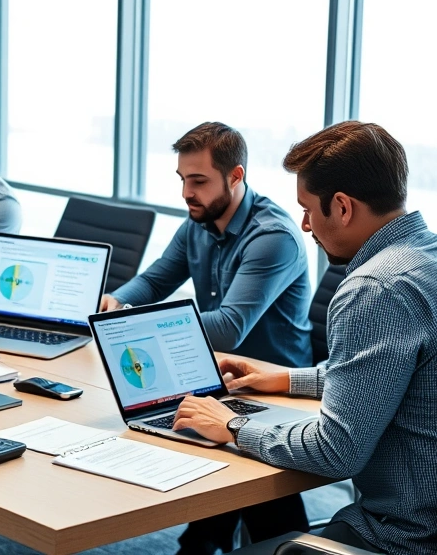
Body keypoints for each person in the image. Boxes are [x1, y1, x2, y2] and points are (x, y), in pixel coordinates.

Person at [173, 121, 437, 555]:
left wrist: (231, 425)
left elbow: (335, 451)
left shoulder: (376, 288)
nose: (304, 225)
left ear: (341, 206)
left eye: (307, 209)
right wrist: (287, 379)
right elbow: (398, 377)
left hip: (397, 538)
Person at [99, 122, 312, 553]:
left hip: (273, 387)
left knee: (220, 448)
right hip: (213, 373)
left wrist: (135, 324)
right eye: (182, 179)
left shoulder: (272, 237)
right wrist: (116, 303)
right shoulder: (199, 222)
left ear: (235, 176)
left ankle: (242, 542)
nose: (186, 193)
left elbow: (230, 327)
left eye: (198, 181)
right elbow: (155, 280)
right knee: (159, 423)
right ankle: (209, 538)